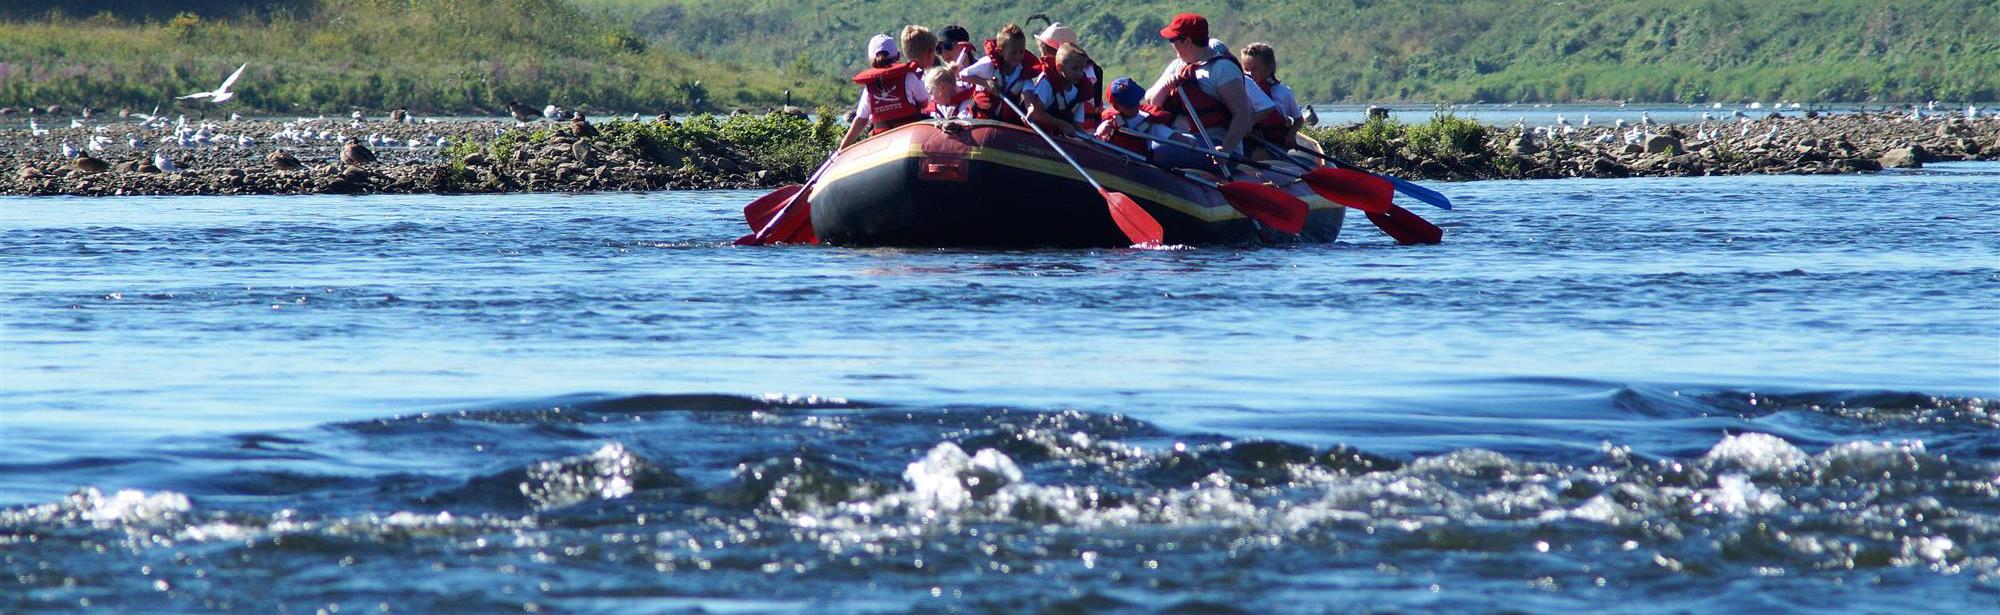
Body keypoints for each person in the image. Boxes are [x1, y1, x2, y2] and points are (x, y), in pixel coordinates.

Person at [1143, 13, 1255, 154]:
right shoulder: (1178, 65)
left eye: (1172, 39)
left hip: (1214, 144)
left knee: (1157, 150)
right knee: (1139, 140)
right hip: (1179, 136)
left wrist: (1226, 149)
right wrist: (1164, 85)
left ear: (1188, 42)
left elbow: (1243, 112)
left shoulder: (1222, 69)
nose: (1171, 44)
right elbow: (1153, 103)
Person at [840, 29, 935, 148]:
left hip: (883, 145)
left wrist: (842, 147)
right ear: (898, 56)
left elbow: (861, 120)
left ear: (871, 61)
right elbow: (924, 102)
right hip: (911, 140)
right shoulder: (909, 77)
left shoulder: (869, 88)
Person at [962, 24, 1040, 124]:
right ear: (1000, 51)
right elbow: (963, 75)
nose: (1018, 56)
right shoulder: (988, 64)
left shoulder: (1024, 73)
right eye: (1013, 53)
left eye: (1021, 51)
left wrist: (1030, 109)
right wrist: (986, 83)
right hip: (980, 120)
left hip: (1004, 124)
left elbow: (1028, 95)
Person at [1093, 76, 1182, 158]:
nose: (1135, 106)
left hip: (1138, 167)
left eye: (1136, 101)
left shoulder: (1148, 121)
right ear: (1116, 107)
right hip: (1113, 163)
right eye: (1129, 104)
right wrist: (1099, 134)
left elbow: (1174, 138)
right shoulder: (1107, 122)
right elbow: (1093, 143)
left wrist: (1191, 144)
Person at [1033, 23, 1103, 126]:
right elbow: (1036, 112)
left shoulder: (1078, 88)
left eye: (1046, 52)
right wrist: (1062, 125)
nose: (1044, 58)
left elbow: (1077, 123)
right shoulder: (1047, 81)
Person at [1240, 42, 1302, 151]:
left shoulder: (1283, 92)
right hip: (1251, 141)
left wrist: (1291, 135)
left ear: (1269, 67)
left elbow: (1299, 119)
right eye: (1246, 70)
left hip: (1275, 144)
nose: (1250, 74)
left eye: (1255, 69)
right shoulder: (1242, 91)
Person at [1025, 43, 1091, 136]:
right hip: (1038, 132)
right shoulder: (1047, 84)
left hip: (1057, 137)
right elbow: (1037, 113)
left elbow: (1075, 124)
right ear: (1060, 68)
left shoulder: (1079, 92)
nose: (1079, 74)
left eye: (1082, 69)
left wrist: (1088, 138)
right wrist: (1062, 125)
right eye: (1075, 69)